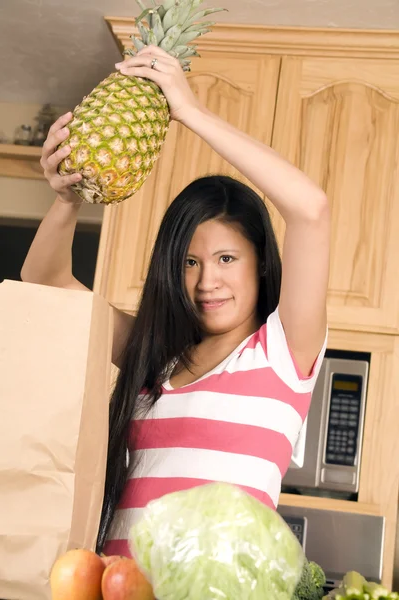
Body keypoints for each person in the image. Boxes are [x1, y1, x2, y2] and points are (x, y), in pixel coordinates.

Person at [21, 46, 330, 557]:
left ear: (262, 265)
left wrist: (189, 112)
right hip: (116, 587)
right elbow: (44, 281)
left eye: (227, 259)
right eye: (190, 262)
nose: (208, 280)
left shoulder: (281, 352)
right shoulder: (152, 354)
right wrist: (66, 197)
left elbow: (311, 209)